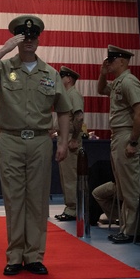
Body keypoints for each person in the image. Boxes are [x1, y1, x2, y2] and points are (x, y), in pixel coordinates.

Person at [0, 15, 71, 275]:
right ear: (18, 40)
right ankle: (15, 256)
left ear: (38, 40)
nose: (29, 41)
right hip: (10, 140)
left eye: (33, 37)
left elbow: (63, 111)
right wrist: (4, 49)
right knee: (14, 199)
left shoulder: (50, 73)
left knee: (37, 200)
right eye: (24, 38)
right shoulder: (4, 68)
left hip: (40, 141)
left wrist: (62, 142)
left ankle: (35, 256)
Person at [97, 45, 140, 244]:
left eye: (112, 60)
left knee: (130, 187)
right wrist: (102, 73)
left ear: (123, 61)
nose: (109, 63)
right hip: (118, 135)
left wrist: (133, 141)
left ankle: (132, 230)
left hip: (126, 134)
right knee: (123, 187)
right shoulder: (118, 82)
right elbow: (101, 89)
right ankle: (126, 227)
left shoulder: (128, 82)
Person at [54, 66, 85, 222]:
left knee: (71, 176)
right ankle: (70, 207)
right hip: (64, 138)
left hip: (71, 140)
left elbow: (79, 117)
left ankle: (73, 208)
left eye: (61, 77)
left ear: (69, 79)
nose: (59, 80)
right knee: (65, 176)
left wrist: (74, 138)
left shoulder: (73, 95)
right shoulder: (66, 95)